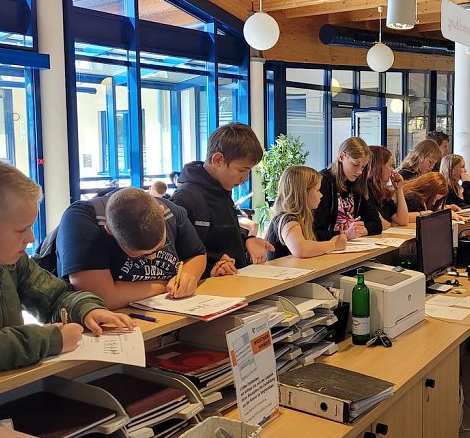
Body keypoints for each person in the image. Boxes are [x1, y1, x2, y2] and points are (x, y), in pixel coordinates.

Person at [0, 160, 135, 384]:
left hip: (10, 389)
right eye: (21, 229)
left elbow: (57, 296)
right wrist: (48, 340)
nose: (30, 238)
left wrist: (86, 310)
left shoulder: (11, 261)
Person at [55, 187, 207, 309]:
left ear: (161, 212)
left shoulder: (171, 212)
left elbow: (196, 254)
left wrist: (188, 275)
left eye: (158, 248)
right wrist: (165, 284)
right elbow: (99, 298)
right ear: (109, 230)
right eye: (140, 255)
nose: (152, 257)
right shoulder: (83, 221)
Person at [171, 123, 274, 277]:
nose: (245, 178)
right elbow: (176, 258)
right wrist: (211, 270)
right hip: (205, 294)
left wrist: (247, 240)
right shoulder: (185, 198)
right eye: (242, 170)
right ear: (218, 159)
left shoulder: (222, 189)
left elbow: (221, 237)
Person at [266, 166, 348, 260]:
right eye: (317, 190)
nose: (321, 195)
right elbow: (301, 249)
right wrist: (333, 245)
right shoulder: (287, 219)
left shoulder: (301, 218)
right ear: (303, 193)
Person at [313, 137, 383, 241]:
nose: (360, 171)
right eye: (355, 164)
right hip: (327, 248)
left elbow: (376, 224)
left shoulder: (358, 183)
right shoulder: (322, 184)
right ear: (341, 156)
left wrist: (363, 230)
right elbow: (315, 232)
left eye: (363, 167)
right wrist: (345, 234)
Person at [366, 145, 409, 229]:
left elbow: (402, 220)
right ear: (379, 166)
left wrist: (399, 189)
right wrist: (389, 224)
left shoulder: (382, 192)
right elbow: (381, 223)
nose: (392, 170)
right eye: (390, 166)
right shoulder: (365, 190)